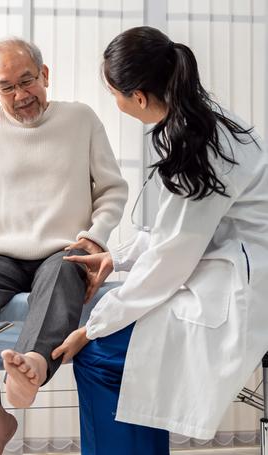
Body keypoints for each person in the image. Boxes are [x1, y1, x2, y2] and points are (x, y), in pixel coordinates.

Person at [51, 26, 268, 454]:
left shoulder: (198, 146)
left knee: (98, 358)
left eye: (113, 93)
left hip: (240, 287)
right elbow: (171, 234)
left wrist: (91, 329)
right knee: (114, 343)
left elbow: (171, 258)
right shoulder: (200, 125)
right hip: (223, 265)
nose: (113, 103)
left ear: (138, 97)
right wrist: (117, 256)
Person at [0, 37, 128, 455]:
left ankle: (33, 363)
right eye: (7, 87)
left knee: (60, 272)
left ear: (45, 75)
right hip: (1, 253)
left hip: (64, 247)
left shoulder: (80, 119)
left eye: (28, 80)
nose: (21, 95)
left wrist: (94, 236)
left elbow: (112, 190)